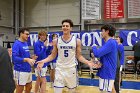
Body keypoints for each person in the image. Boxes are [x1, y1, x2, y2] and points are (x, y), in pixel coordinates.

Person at [37, 19, 95, 93]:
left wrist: (87, 62)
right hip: (60, 69)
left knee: (72, 91)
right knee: (57, 90)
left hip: (71, 69)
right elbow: (52, 55)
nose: (65, 27)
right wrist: (43, 61)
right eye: (63, 26)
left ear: (71, 28)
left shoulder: (77, 41)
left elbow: (79, 56)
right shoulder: (56, 41)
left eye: (67, 26)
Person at [92, 24, 118, 93]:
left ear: (107, 31)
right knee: (109, 90)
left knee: (105, 91)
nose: (101, 33)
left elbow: (97, 53)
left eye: (102, 31)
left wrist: (94, 46)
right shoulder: (109, 42)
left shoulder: (111, 42)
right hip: (106, 71)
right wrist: (99, 62)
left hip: (107, 72)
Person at [12, 28, 37, 93]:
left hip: (27, 69)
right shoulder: (17, 44)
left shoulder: (25, 43)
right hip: (20, 70)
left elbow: (26, 56)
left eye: (28, 34)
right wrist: (26, 59)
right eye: (26, 34)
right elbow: (14, 58)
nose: (28, 36)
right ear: (21, 34)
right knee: (20, 90)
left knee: (29, 87)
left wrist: (31, 58)